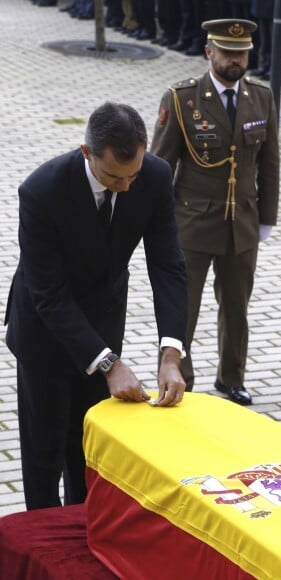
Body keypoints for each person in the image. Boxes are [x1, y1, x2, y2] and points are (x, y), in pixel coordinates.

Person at [4, 102, 188, 510]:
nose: (125, 186)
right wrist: (109, 364)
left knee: (89, 452)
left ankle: (86, 539)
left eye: (133, 175)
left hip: (103, 319)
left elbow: (168, 265)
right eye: (113, 177)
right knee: (45, 454)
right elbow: (48, 294)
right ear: (87, 153)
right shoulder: (41, 191)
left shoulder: (155, 177)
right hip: (44, 333)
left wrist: (171, 353)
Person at [151, 19, 280, 406]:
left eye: (241, 54)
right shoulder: (182, 98)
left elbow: (269, 162)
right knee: (182, 309)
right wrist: (153, 224)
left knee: (237, 308)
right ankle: (178, 378)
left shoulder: (262, 97)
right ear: (209, 52)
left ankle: (231, 378)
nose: (235, 61)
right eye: (227, 53)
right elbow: (160, 166)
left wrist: (267, 218)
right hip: (191, 223)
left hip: (242, 223)